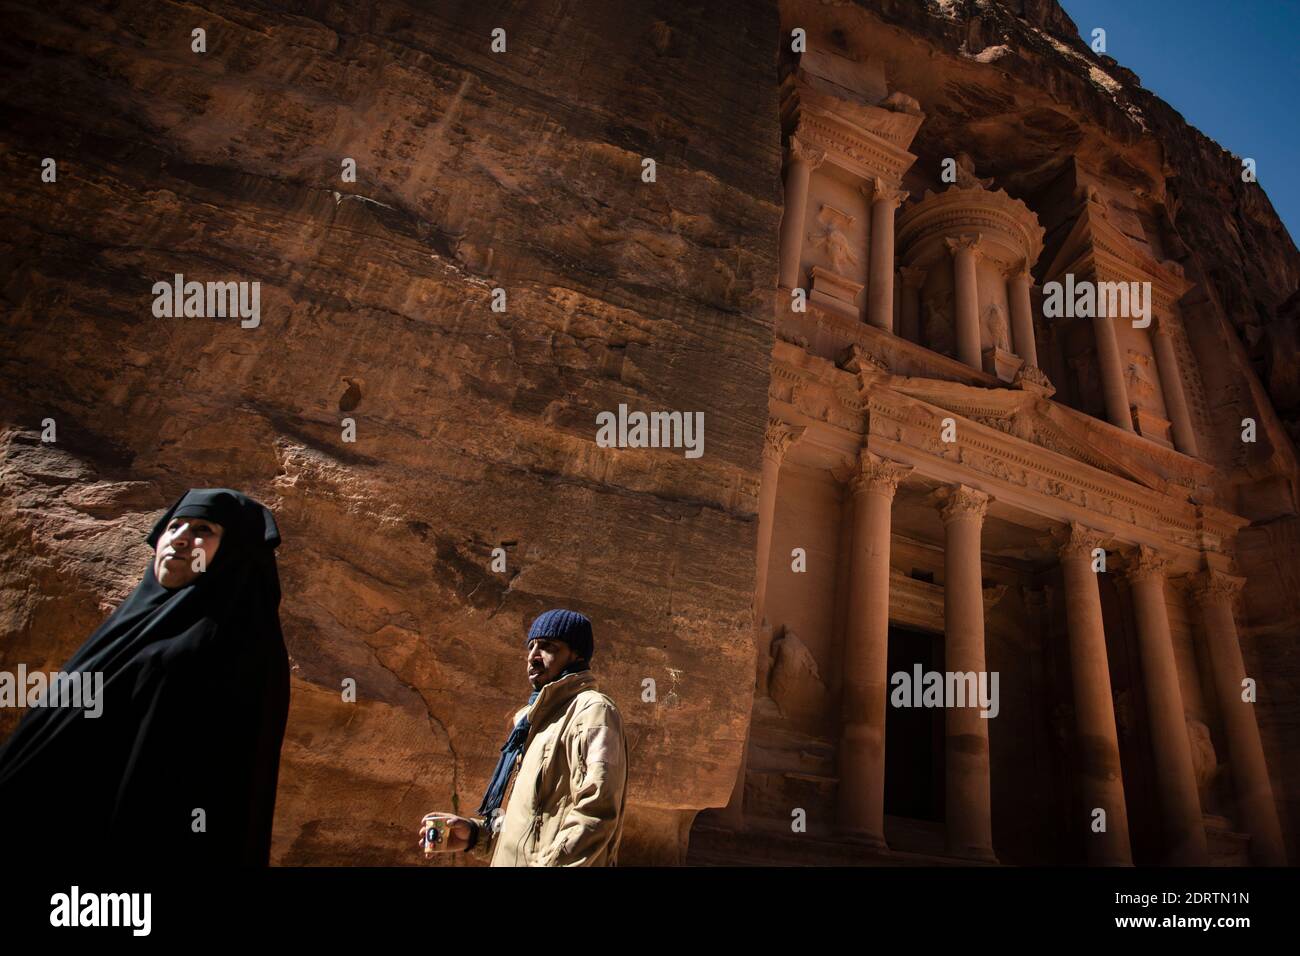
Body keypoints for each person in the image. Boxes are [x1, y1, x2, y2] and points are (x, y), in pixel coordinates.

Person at [0, 488, 290, 865]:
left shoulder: (234, 641)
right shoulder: (128, 626)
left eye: (203, 528)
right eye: (174, 526)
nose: (181, 538)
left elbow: (212, 775)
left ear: (238, 551)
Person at [419, 609, 628, 866]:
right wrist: (475, 836)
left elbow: (597, 812)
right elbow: (530, 829)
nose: (532, 656)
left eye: (548, 646)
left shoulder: (592, 711)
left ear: (577, 655)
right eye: (531, 646)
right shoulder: (531, 722)